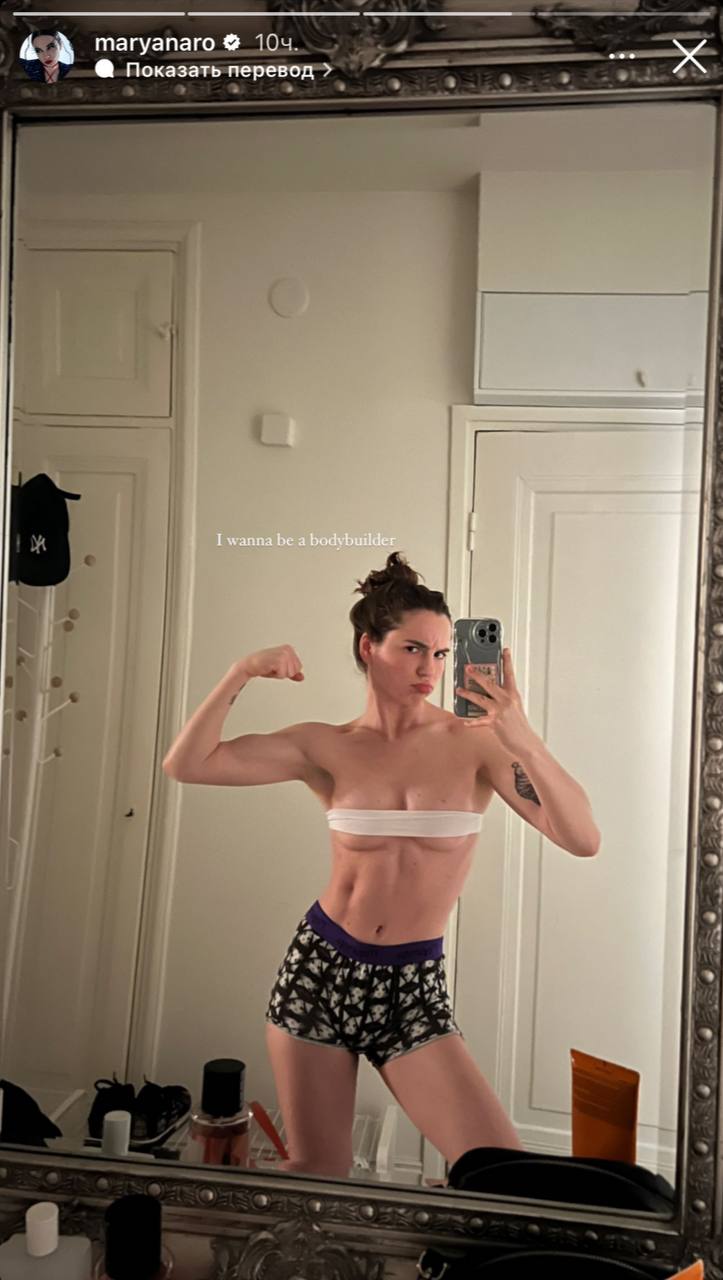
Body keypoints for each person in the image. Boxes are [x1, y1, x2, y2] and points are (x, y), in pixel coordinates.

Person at [163, 551, 600, 1178]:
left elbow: (582, 838)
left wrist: (520, 733)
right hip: (319, 972)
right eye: (413, 649)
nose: (430, 669)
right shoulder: (326, 745)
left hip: (411, 986)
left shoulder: (478, 744)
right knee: (320, 1175)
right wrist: (242, 671)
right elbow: (188, 764)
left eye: (441, 654)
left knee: (503, 1176)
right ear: (369, 647)